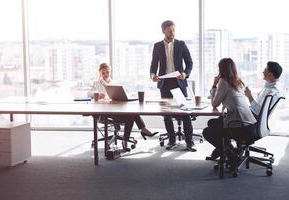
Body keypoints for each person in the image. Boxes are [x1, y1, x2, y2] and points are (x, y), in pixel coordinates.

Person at [202, 58, 258, 168]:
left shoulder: (223, 82)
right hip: (250, 124)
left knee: (207, 132)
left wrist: (214, 85)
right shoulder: (238, 81)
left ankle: (230, 154)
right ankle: (226, 149)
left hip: (239, 125)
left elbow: (215, 104)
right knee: (213, 123)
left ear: (221, 69)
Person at [89, 63, 158, 151]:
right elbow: (89, 93)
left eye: (107, 72)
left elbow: (119, 96)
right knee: (132, 115)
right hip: (103, 112)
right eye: (103, 73)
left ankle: (127, 139)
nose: (106, 75)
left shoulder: (114, 83)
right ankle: (141, 130)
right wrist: (98, 95)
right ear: (99, 73)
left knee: (132, 114)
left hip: (114, 109)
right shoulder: (96, 83)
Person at [150, 20, 196, 151]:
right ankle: (171, 140)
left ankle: (189, 141)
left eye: (174, 30)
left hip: (179, 82)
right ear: (163, 31)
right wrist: (153, 75)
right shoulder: (157, 46)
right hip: (164, 83)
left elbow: (189, 62)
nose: (172, 33)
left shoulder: (181, 44)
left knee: (185, 113)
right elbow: (153, 65)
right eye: (169, 30)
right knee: (167, 114)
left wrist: (185, 74)